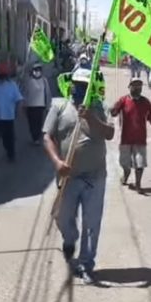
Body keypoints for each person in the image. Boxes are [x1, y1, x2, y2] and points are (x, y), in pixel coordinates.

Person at [43, 68, 114, 284]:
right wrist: (57, 162)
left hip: (95, 177)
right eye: (77, 85)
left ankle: (86, 264)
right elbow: (47, 136)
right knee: (62, 217)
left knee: (92, 223)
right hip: (68, 177)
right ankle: (70, 237)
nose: (80, 89)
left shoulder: (100, 107)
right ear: (71, 85)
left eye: (85, 86)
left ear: (91, 88)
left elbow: (109, 133)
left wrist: (91, 118)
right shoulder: (59, 106)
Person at [111, 77, 151, 194]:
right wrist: (113, 109)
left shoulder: (145, 102)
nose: (137, 87)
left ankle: (138, 184)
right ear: (129, 87)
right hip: (125, 139)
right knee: (124, 163)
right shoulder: (123, 100)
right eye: (134, 85)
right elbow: (113, 113)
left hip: (140, 139)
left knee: (140, 163)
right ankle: (126, 174)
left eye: (139, 85)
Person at [22, 62, 52, 146]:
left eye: (39, 70)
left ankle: (37, 137)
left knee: (39, 122)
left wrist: (48, 105)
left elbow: (47, 93)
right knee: (32, 122)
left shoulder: (44, 80)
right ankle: (34, 137)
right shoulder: (28, 81)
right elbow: (24, 93)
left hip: (40, 105)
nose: (37, 71)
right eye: (36, 70)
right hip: (30, 105)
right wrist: (23, 104)